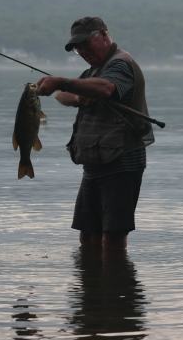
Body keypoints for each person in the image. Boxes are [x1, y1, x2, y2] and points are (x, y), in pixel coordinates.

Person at [36, 16, 154, 251]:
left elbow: (107, 88)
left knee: (112, 238)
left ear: (103, 34)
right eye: (76, 47)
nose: (81, 50)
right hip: (96, 162)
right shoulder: (93, 70)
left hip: (122, 161)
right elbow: (63, 96)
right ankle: (92, 285)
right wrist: (76, 93)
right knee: (88, 235)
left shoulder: (120, 63)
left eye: (85, 43)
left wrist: (64, 83)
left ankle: (116, 284)